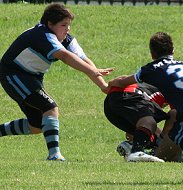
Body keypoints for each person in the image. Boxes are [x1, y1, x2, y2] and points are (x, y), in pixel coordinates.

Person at [108, 32, 183, 183]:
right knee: (174, 148)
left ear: (153, 54)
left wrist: (111, 83)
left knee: (161, 156)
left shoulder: (151, 69)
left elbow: (122, 82)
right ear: (172, 50)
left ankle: (134, 149)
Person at [0, 4, 113, 161]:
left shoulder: (66, 39)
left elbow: (84, 60)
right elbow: (65, 56)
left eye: (68, 25)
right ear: (50, 24)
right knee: (50, 108)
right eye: (63, 25)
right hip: (13, 74)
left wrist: (103, 86)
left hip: (33, 77)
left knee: (37, 126)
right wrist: (91, 71)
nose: (67, 29)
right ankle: (54, 155)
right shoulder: (42, 34)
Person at [105, 83, 183, 162]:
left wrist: (160, 142)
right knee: (166, 152)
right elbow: (134, 133)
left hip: (114, 100)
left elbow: (172, 115)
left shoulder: (164, 90)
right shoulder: (170, 89)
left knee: (164, 153)